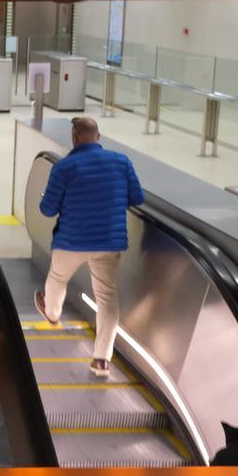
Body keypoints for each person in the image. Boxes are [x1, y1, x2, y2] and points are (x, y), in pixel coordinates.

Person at [33, 116, 144, 378]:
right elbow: (137, 197)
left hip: (72, 240)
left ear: (74, 137)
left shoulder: (64, 167)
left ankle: (52, 311)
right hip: (108, 241)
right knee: (106, 297)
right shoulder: (121, 162)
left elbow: (48, 209)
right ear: (98, 137)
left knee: (58, 277)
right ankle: (102, 360)